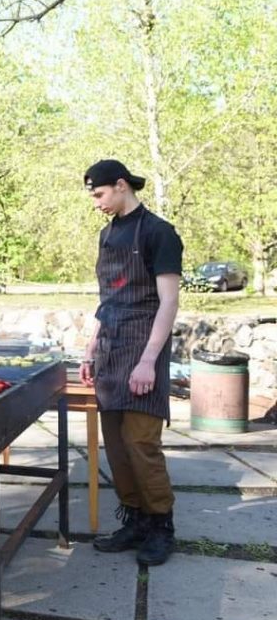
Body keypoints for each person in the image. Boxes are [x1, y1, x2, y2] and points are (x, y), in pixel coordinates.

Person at [80, 159, 182, 566]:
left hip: (144, 347)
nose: (96, 203)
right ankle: (135, 520)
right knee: (118, 447)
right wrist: (91, 347)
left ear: (121, 185)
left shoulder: (159, 233)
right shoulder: (107, 235)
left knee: (141, 443)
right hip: (111, 348)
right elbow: (107, 300)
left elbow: (169, 302)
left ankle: (161, 525)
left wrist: (148, 361)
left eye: (100, 194)